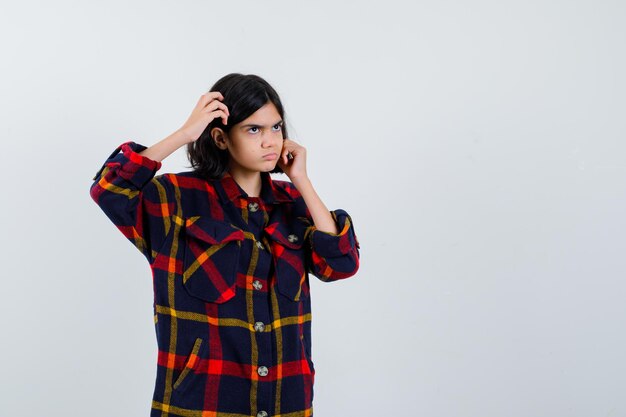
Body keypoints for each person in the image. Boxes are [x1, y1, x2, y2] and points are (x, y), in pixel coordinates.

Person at [89, 73, 361, 417]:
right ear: (220, 136)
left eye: (276, 128)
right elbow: (109, 189)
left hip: (286, 402)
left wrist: (301, 180)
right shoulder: (175, 198)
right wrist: (185, 134)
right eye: (254, 129)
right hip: (202, 404)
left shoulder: (292, 203)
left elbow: (341, 263)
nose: (270, 142)